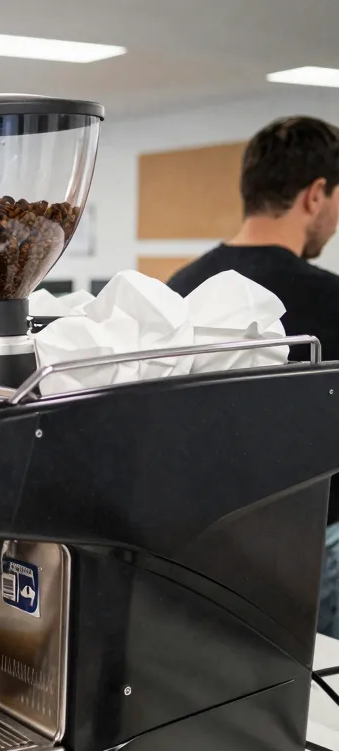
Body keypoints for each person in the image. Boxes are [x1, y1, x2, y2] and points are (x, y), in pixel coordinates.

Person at [166, 116, 339, 636]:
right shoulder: (334, 301)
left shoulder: (181, 288)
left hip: (205, 547)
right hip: (315, 547)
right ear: (315, 194)